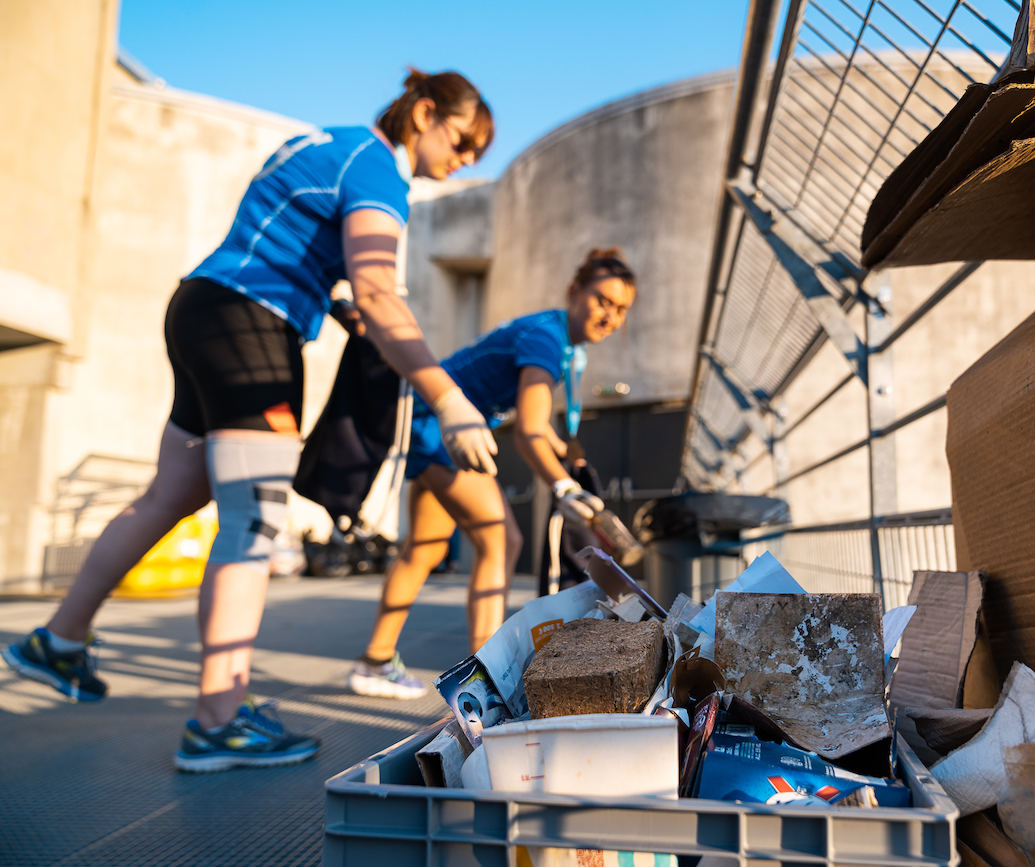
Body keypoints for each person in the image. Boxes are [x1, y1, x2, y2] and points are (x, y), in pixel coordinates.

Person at [2, 70, 499, 772]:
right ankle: (217, 719)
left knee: (170, 497)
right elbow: (381, 289)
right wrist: (448, 398)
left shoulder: (327, 143)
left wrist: (334, 304)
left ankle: (58, 638)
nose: (466, 159)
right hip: (250, 325)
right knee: (256, 516)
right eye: (463, 140)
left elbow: (287, 241)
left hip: (203, 306)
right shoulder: (380, 170)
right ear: (425, 113)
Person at [348, 249, 636, 699]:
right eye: (602, 300)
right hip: (440, 426)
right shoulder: (547, 339)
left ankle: (375, 660)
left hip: (427, 421)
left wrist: (565, 455)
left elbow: (531, 423)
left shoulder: (562, 342)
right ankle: (485, 683)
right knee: (500, 538)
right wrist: (560, 485)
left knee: (423, 549)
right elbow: (530, 430)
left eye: (621, 309)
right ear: (574, 291)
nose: (610, 315)